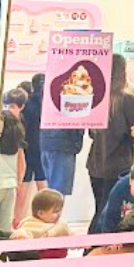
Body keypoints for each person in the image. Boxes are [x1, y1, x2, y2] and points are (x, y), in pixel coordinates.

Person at [86, 54, 134, 234]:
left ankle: (90, 249)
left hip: (95, 163)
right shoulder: (127, 101)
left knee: (99, 209)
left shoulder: (96, 99)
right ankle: (93, 250)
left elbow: (91, 133)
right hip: (118, 165)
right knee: (106, 213)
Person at [39, 70, 84, 199]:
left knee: (52, 190)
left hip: (49, 140)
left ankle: (51, 218)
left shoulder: (50, 83)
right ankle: (53, 219)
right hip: (63, 142)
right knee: (57, 192)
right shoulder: (67, 85)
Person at [0, 90, 27, 236]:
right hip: (11, 186)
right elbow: (22, 166)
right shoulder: (16, 145)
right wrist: (18, 183)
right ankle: (5, 251)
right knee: (6, 224)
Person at [14, 73, 46, 226]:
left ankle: (17, 219)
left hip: (26, 147)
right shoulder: (47, 104)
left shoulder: (26, 105)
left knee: (24, 183)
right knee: (42, 183)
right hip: (42, 146)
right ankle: (45, 218)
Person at [11, 188, 71, 258]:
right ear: (40, 213)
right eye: (55, 211)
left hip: (59, 259)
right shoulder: (32, 224)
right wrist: (22, 237)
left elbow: (70, 234)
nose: (59, 214)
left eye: (60, 211)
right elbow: (23, 231)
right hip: (40, 260)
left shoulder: (60, 225)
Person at [100, 157, 134, 234]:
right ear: (130, 181)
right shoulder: (119, 189)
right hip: (110, 229)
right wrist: (110, 237)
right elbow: (109, 216)